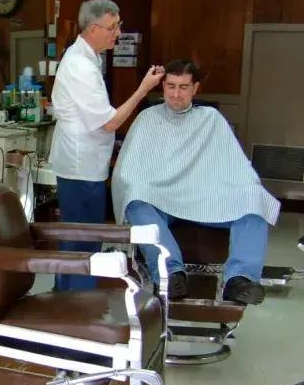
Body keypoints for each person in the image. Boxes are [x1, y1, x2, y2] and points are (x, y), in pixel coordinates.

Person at [112, 59, 280, 305]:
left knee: (254, 199)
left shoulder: (211, 119)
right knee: (135, 198)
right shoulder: (147, 118)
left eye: (183, 87)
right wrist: (144, 186)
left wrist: (239, 188)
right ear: (163, 86)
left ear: (195, 88)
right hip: (161, 197)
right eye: (171, 86)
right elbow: (128, 172)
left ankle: (240, 279)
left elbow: (237, 168)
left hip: (204, 196)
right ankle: (171, 274)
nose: (176, 94)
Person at [48, 0, 164, 291]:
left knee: (85, 236)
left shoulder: (89, 57)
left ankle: (72, 296)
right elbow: (109, 122)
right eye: (112, 27)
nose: (118, 33)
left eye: (118, 26)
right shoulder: (80, 66)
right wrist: (143, 89)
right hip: (80, 166)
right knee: (82, 238)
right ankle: (74, 300)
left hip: (87, 162)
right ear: (92, 28)